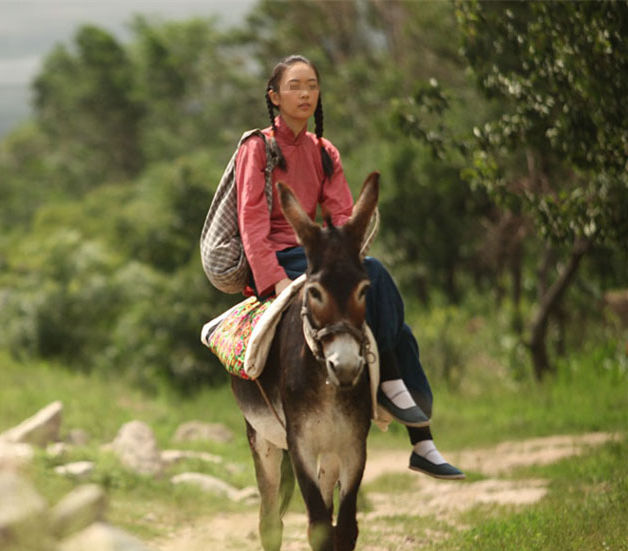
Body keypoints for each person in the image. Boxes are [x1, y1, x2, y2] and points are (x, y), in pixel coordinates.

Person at [234, 54, 464, 480]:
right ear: (274, 96)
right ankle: (407, 412)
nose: (305, 94)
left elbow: (341, 218)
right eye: (295, 86)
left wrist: (344, 264)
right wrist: (276, 281)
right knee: (375, 274)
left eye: (313, 86)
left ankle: (422, 441)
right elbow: (251, 221)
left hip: (324, 256)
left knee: (375, 290)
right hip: (279, 258)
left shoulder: (325, 152)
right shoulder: (257, 148)